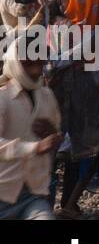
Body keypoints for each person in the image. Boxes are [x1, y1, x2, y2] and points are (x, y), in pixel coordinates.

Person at [0, 33, 62, 219]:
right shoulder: (3, 98)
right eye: (28, 64)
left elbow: (56, 140)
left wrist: (54, 136)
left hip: (34, 195)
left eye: (39, 63)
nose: (35, 70)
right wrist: (35, 147)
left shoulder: (47, 96)